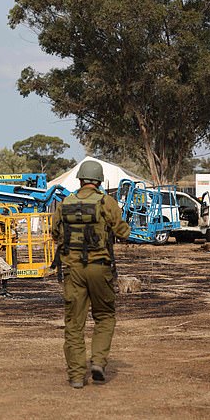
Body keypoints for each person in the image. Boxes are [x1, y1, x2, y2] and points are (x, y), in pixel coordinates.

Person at [51, 161, 131, 389]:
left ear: (80, 180)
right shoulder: (106, 202)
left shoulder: (64, 203)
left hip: (72, 270)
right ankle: (97, 363)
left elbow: (55, 233)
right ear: (99, 181)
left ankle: (77, 376)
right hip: (100, 268)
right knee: (105, 316)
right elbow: (123, 231)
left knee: (74, 323)